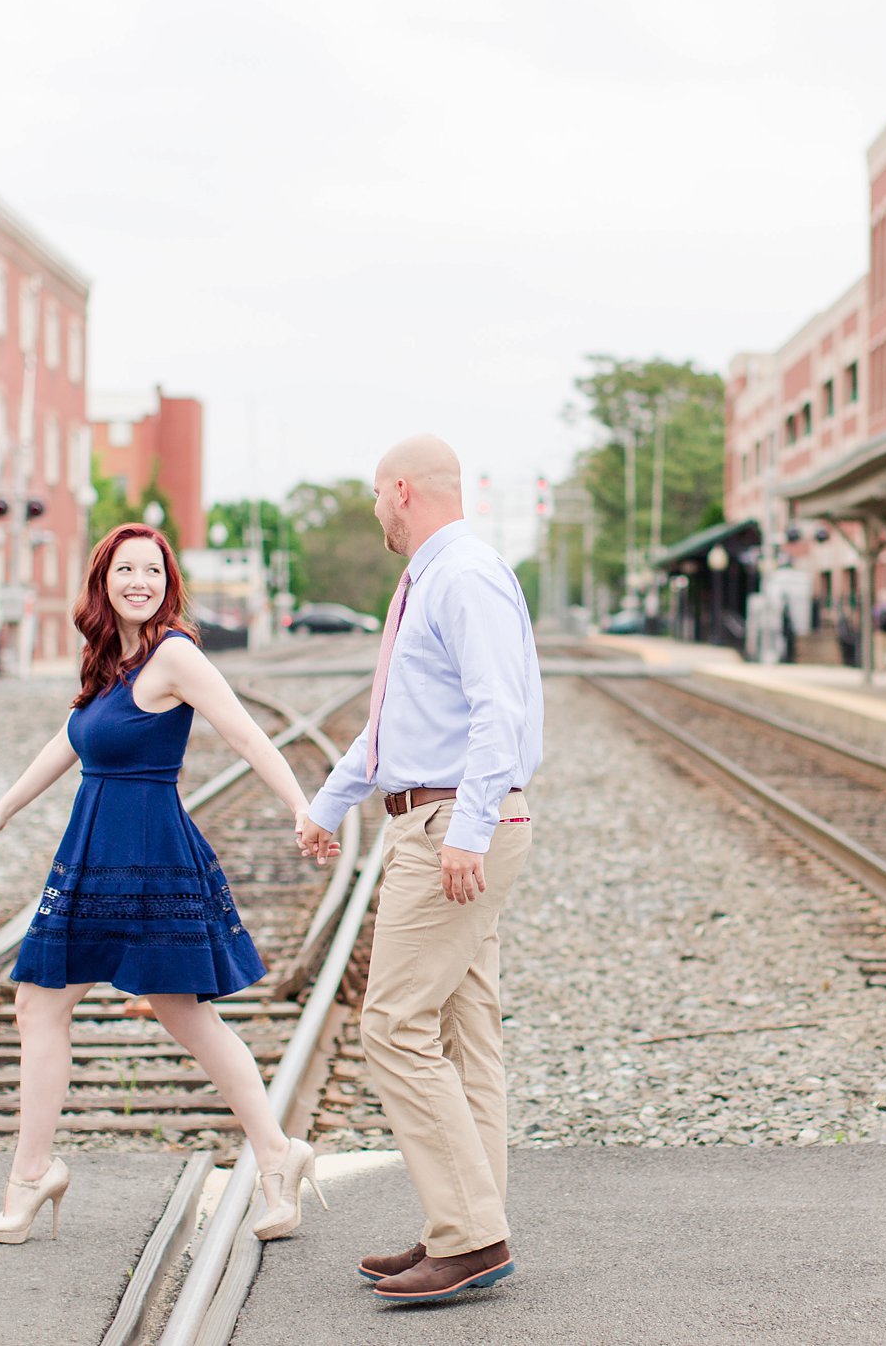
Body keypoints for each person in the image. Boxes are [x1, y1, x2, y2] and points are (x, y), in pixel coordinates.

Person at [0, 524, 336, 1247]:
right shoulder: (109, 663)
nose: (138, 581)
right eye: (124, 569)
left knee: (180, 1013)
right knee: (40, 1002)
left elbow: (248, 734)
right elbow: (70, 742)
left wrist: (300, 806)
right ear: (102, 581)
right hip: (94, 850)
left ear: (167, 581)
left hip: (150, 853)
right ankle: (34, 1174)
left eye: (151, 570)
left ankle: (276, 1156)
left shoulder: (176, 655)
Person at [296, 435, 541, 1306]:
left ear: (402, 490)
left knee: (394, 1024)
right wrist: (329, 804)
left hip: (450, 824)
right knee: (466, 1029)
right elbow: (400, 719)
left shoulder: (464, 574)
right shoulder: (433, 580)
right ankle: (465, 1225)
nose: (373, 510)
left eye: (374, 495)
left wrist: (467, 832)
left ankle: (472, 1233)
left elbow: (495, 713)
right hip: (441, 816)